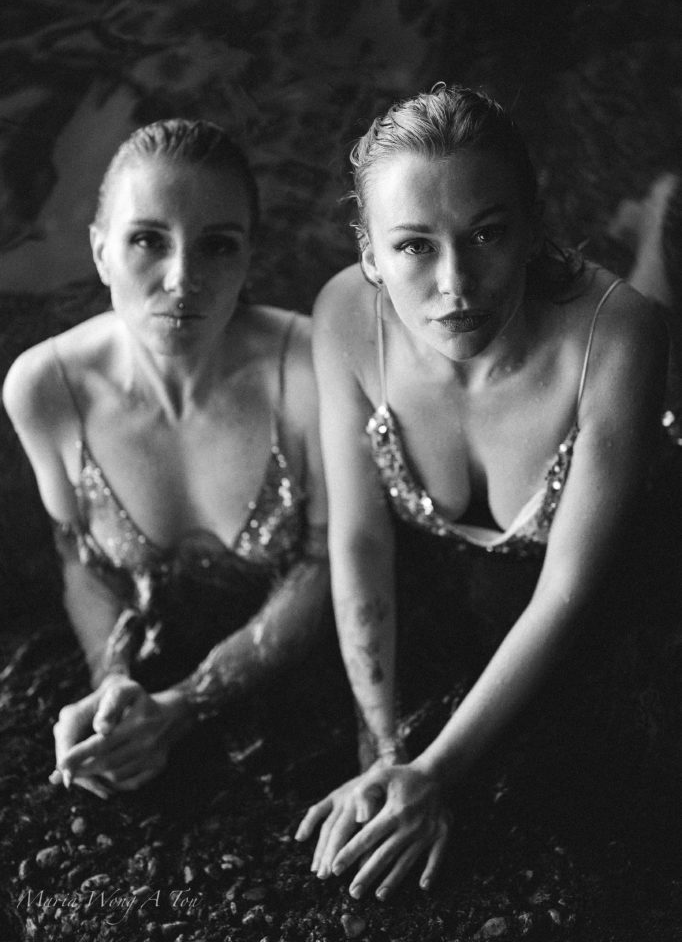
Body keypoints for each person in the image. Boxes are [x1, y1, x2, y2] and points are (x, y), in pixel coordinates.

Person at [295, 84, 671, 902]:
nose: (455, 282)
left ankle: (654, 231)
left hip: (634, 526)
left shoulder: (618, 332)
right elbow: (359, 541)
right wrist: (385, 751)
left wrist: (438, 771)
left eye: (487, 234)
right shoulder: (346, 319)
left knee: (649, 313)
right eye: (414, 248)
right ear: (369, 254)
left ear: (534, 228)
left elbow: (569, 589)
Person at [2, 118, 329, 800]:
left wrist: (185, 705)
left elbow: (326, 567)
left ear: (249, 259)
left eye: (218, 246)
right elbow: (80, 557)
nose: (183, 279)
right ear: (99, 253)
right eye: (148, 240)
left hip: (306, 677)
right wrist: (113, 679)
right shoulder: (47, 390)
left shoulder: (309, 373)